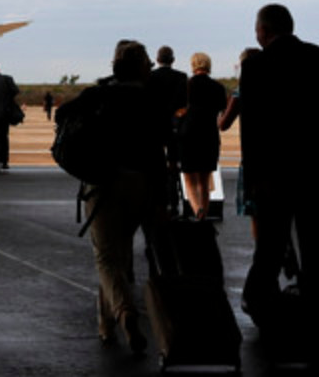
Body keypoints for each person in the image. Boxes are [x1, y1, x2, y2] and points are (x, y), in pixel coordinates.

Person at [238, 4, 319, 318]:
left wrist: (253, 181)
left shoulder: (255, 67)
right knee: (318, 248)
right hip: (318, 174)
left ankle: (262, 309)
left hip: (273, 178)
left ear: (263, 30)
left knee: (270, 249)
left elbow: (251, 132)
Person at [87, 40, 172, 354]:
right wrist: (163, 200)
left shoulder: (100, 95)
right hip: (142, 184)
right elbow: (161, 150)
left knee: (106, 257)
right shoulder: (153, 99)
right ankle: (106, 325)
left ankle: (124, 314)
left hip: (102, 183)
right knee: (119, 255)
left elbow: (66, 116)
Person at [178, 52, 227, 219]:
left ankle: (196, 208)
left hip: (188, 134)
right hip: (209, 134)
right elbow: (221, 109)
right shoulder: (218, 87)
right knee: (204, 180)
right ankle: (204, 213)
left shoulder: (186, 86)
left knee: (189, 178)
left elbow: (179, 110)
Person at [148, 46, 189, 167]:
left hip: (155, 122)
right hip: (175, 122)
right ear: (173, 60)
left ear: (157, 59)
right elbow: (184, 101)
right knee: (174, 159)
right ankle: (173, 181)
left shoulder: (150, 76)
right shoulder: (181, 77)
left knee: (155, 158)